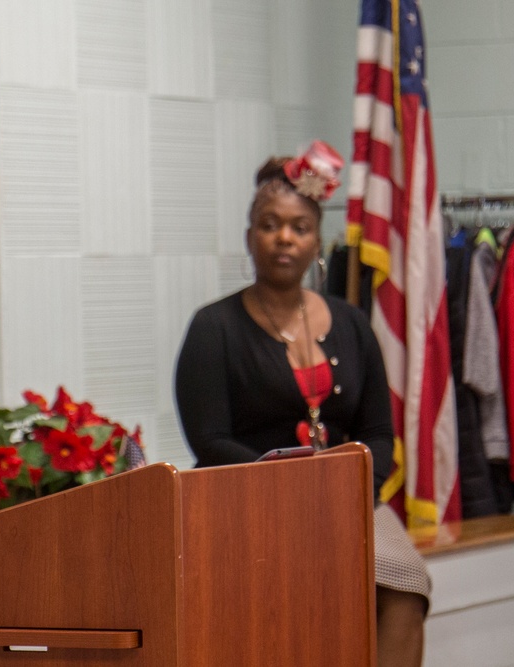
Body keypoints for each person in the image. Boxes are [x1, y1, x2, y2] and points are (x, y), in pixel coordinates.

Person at [174, 141, 432, 667]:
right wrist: (294, 491)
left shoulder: (353, 325)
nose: (284, 238)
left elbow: (379, 431)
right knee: (296, 598)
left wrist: (354, 488)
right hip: (246, 501)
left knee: (408, 581)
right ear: (250, 238)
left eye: (299, 226)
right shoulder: (213, 327)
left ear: (318, 241)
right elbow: (209, 440)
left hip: (347, 499)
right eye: (270, 225)